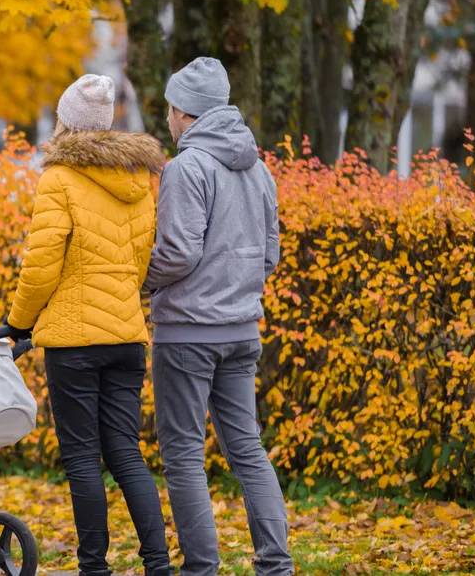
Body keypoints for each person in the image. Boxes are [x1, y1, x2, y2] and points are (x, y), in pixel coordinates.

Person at [7, 74, 172, 576]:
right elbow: (143, 260)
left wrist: (18, 323)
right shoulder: (141, 181)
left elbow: (41, 265)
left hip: (73, 342)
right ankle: (159, 564)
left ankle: (93, 567)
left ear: (68, 123)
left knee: (82, 458)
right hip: (125, 335)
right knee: (126, 453)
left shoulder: (58, 178)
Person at [144, 57, 293, 576]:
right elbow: (271, 254)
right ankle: (276, 565)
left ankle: (201, 569)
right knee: (248, 449)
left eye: (169, 107)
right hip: (242, 331)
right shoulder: (259, 168)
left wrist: (140, 282)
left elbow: (178, 253)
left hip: (186, 333)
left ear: (184, 112)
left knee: (184, 455)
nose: (167, 116)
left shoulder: (186, 169)